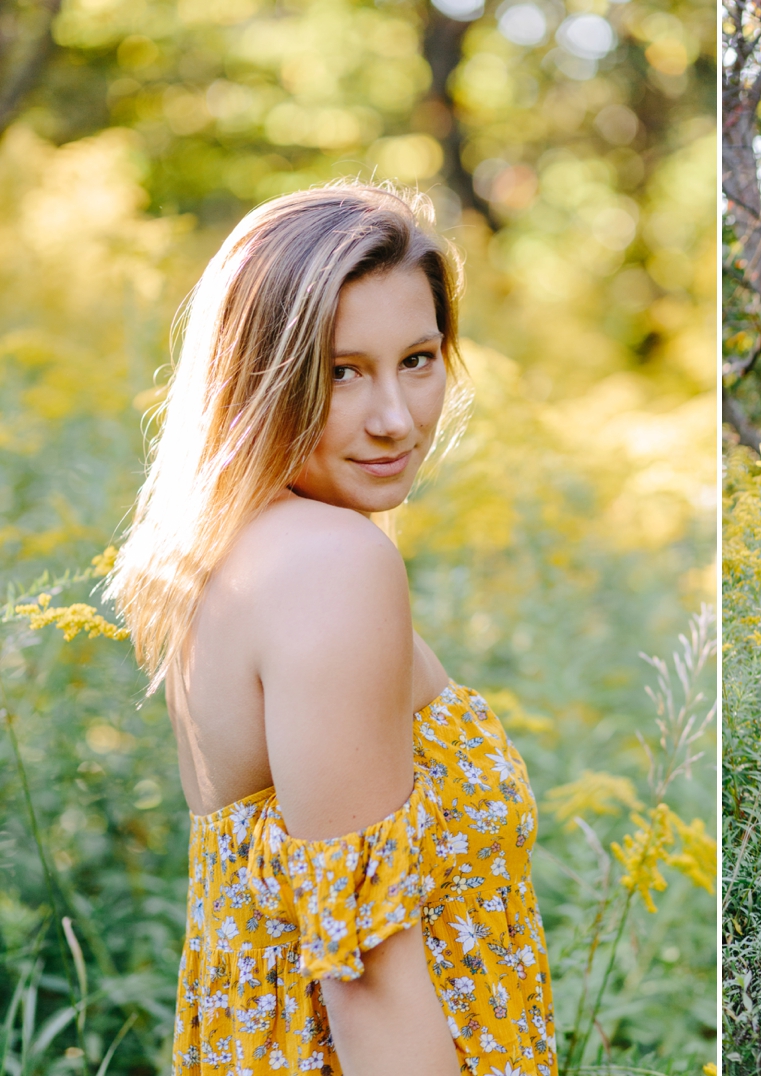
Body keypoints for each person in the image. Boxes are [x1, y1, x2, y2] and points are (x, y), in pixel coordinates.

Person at [104, 183, 555, 1075]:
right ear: (257, 376)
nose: (395, 418)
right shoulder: (333, 567)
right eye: (341, 372)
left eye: (418, 360)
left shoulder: (241, 549)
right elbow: (368, 978)